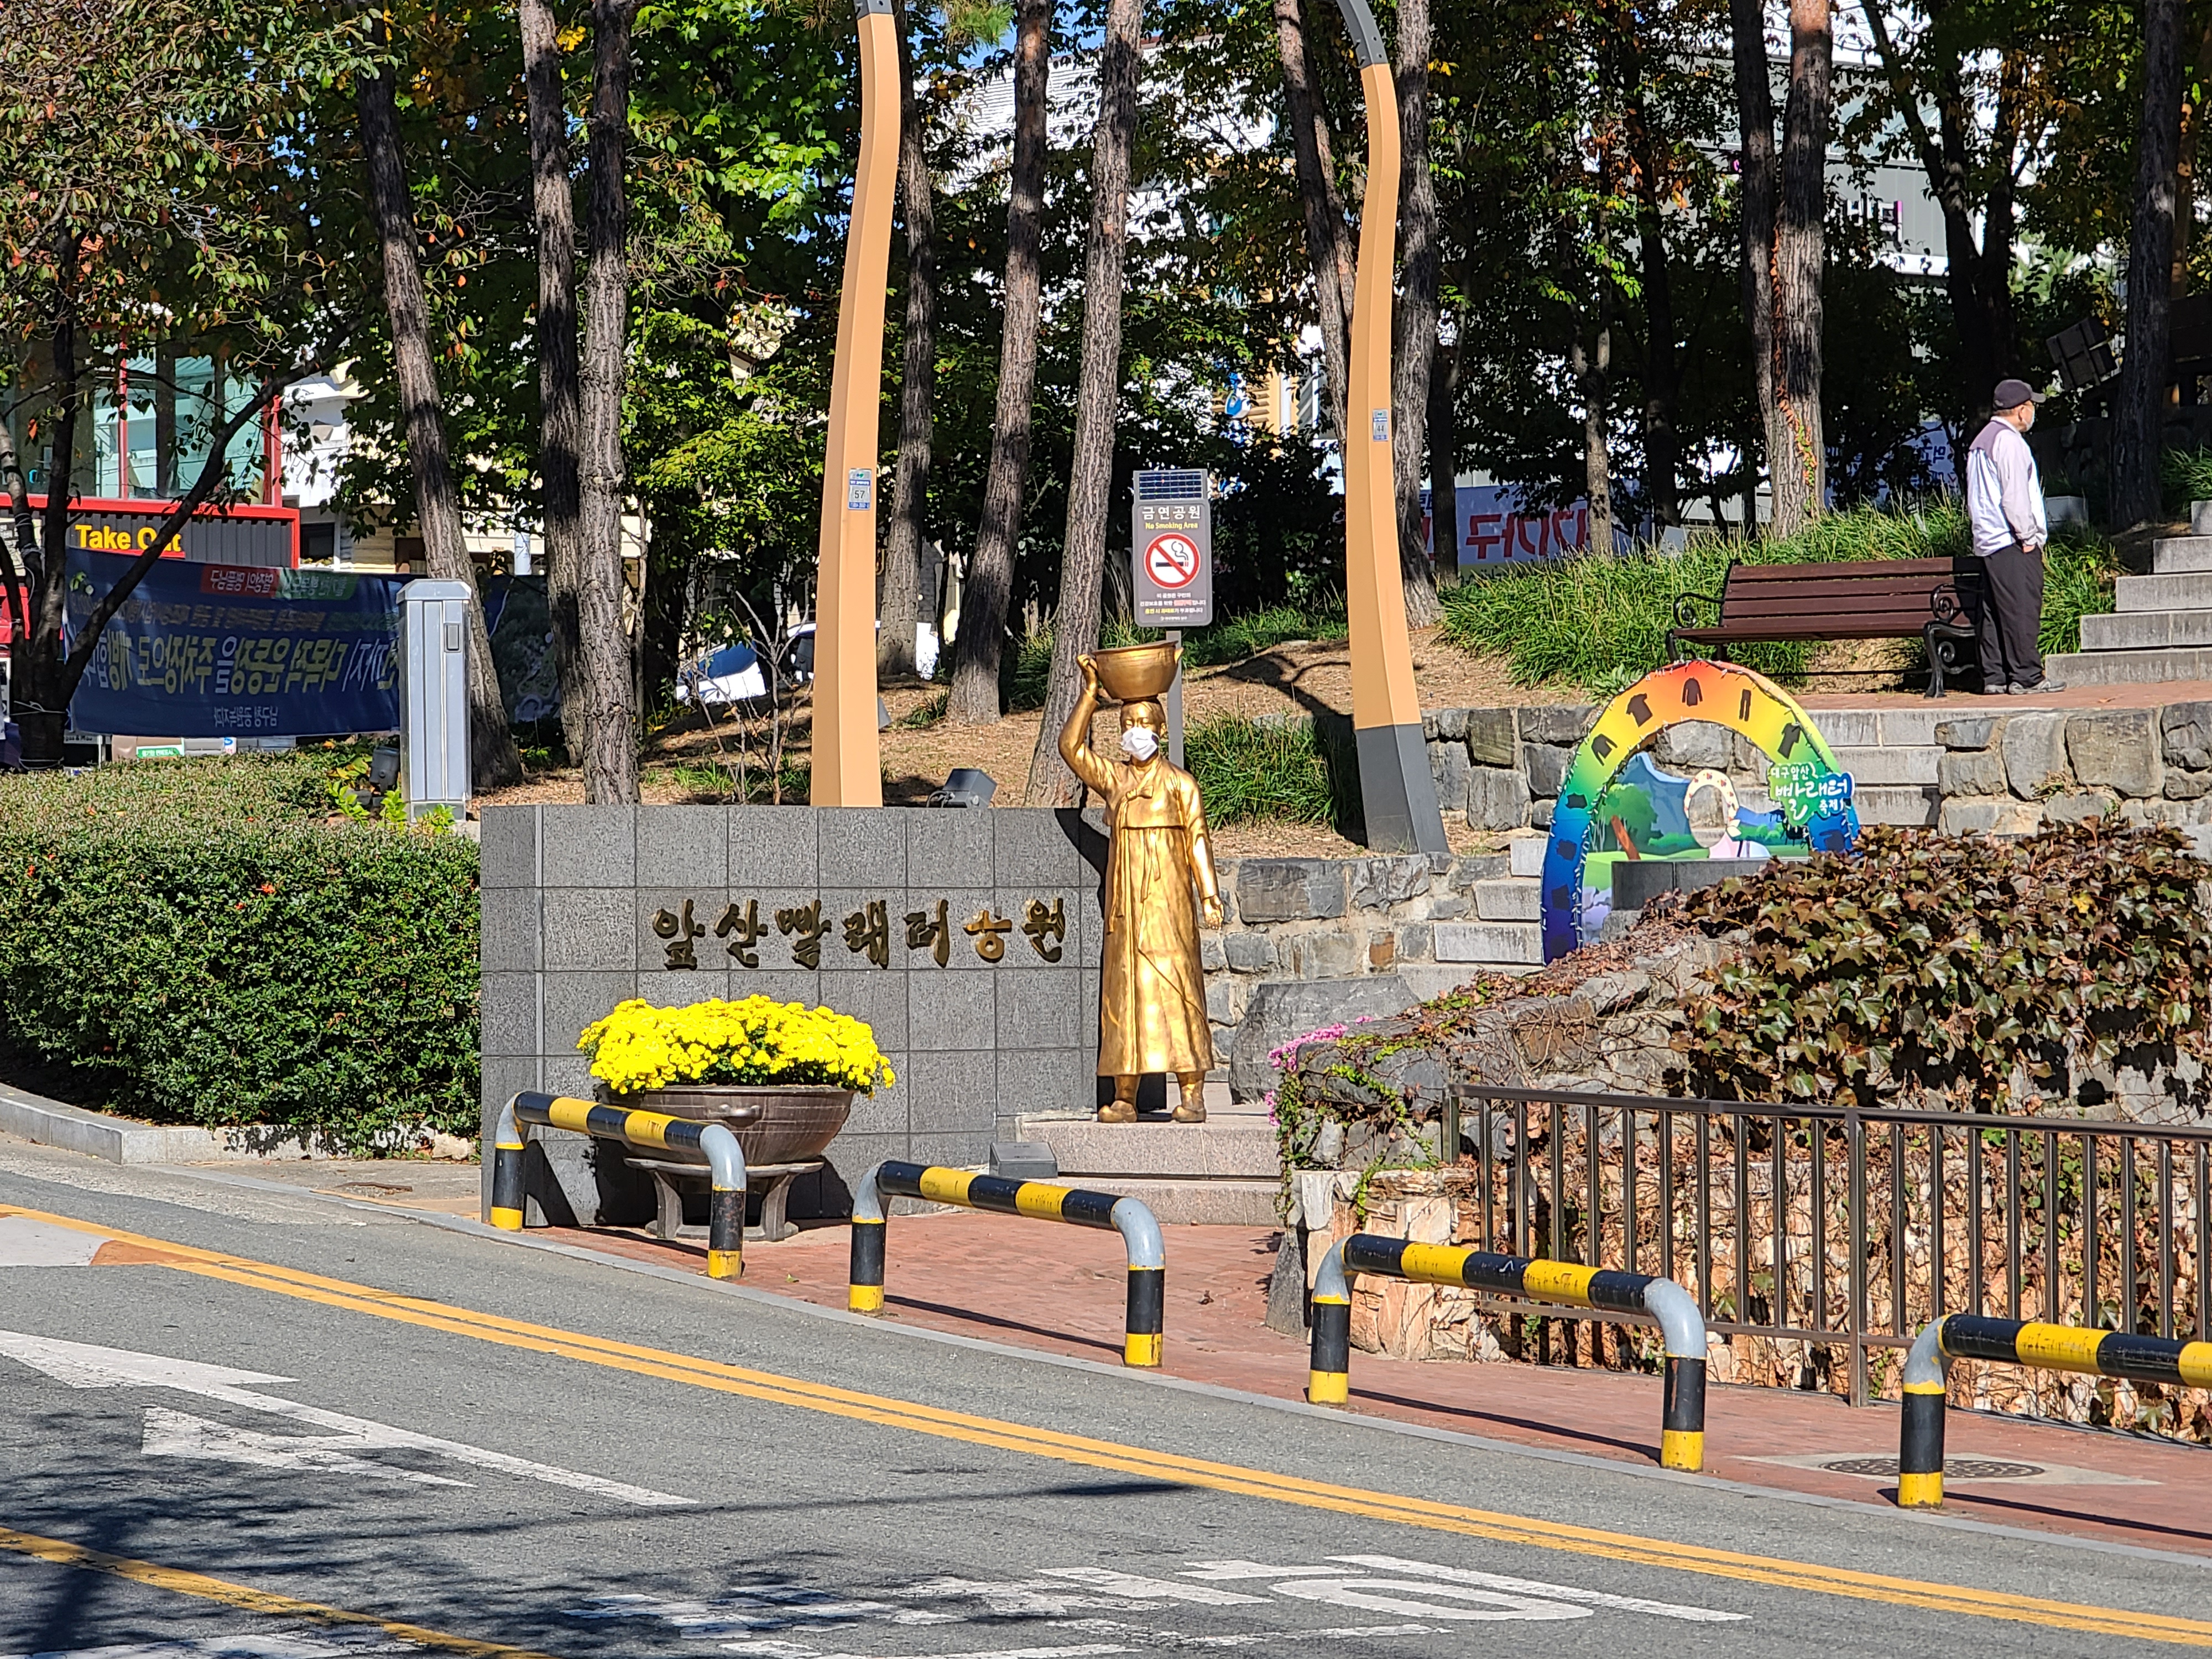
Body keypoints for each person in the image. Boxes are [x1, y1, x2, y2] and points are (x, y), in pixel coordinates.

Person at [1060, 654, 1224, 1124]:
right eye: (1128, 724)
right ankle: (1124, 1096)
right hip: (1126, 903)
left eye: (1143, 723)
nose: (1135, 731)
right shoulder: (1116, 778)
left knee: (1179, 984)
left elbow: (1198, 840)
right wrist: (1090, 694)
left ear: (1160, 730)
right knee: (1125, 991)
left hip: (1169, 900)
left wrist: (1209, 895)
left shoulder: (1180, 784)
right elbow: (1070, 748)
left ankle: (1192, 1091)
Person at [1964, 378, 2064, 695]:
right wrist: (2029, 537)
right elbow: (2015, 498)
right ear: (2021, 410)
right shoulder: (2010, 442)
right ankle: (2027, 676)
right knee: (2022, 607)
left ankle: (1995, 677)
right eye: (2032, 406)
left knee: (1993, 611)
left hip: (1988, 540)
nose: (2033, 413)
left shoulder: (1981, 440)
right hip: (2012, 540)